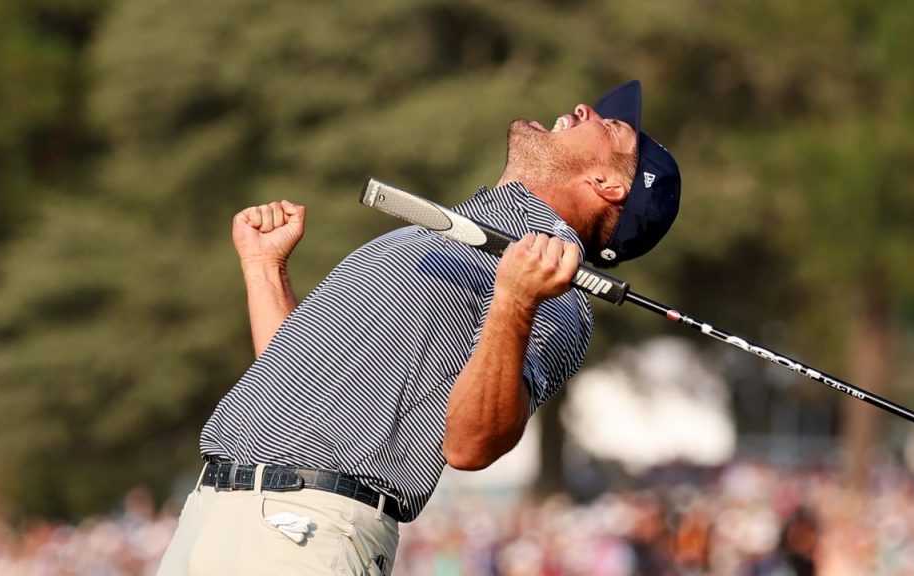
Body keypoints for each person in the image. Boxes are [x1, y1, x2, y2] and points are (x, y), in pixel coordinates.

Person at [156, 80, 680, 575]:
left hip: (302, 527)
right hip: (214, 514)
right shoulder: (439, 234)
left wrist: (516, 301)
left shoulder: (556, 292)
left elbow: (472, 448)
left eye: (612, 129)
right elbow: (297, 382)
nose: (586, 109)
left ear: (607, 185)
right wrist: (265, 270)